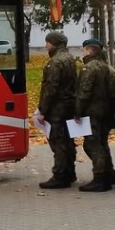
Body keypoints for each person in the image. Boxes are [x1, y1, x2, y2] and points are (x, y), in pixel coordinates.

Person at [74, 38, 115, 192]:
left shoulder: (89, 68)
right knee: (102, 143)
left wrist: (77, 112)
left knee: (92, 144)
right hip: (107, 113)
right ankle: (109, 173)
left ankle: (100, 178)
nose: (83, 52)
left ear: (89, 50)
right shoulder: (109, 68)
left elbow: (84, 93)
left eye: (84, 49)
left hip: (93, 113)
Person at [36, 31, 78, 189]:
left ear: (53, 43)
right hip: (69, 105)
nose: (45, 45)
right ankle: (69, 172)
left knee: (58, 141)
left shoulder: (55, 62)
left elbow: (51, 88)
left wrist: (43, 110)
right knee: (68, 140)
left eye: (47, 42)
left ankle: (60, 176)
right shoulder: (69, 58)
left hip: (57, 107)